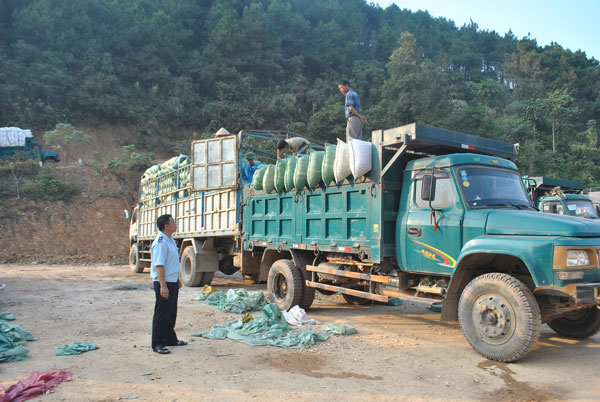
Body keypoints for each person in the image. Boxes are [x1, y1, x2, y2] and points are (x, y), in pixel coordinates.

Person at [150, 214, 186, 354]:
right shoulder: (160, 242)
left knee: (171, 313)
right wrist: (163, 286)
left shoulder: (170, 240)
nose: (175, 224)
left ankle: (170, 338)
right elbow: (159, 266)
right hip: (163, 283)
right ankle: (158, 343)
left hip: (171, 282)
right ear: (166, 226)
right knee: (162, 314)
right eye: (173, 222)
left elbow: (171, 263)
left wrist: (176, 279)